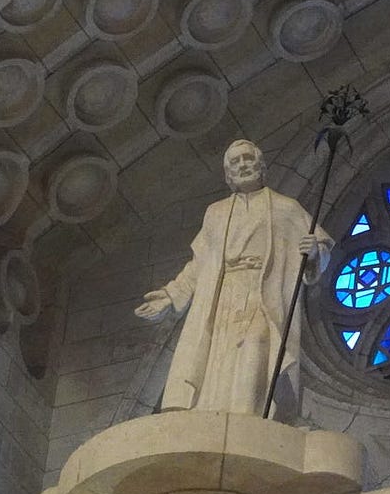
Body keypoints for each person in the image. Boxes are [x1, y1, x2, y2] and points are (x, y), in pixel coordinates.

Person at [135, 139, 332, 420]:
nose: (243, 165)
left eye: (248, 159)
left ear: (261, 166)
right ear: (228, 175)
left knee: (257, 345)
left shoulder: (286, 208)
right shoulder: (215, 212)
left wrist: (314, 252)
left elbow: (321, 249)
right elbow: (200, 263)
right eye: (235, 162)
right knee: (219, 359)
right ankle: (213, 421)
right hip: (223, 294)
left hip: (262, 293)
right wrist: (170, 295)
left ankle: (248, 420)